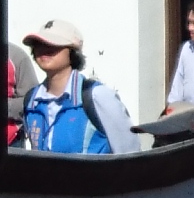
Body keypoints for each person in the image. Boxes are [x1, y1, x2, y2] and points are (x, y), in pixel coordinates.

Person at [19, 17, 139, 155]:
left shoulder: (96, 95)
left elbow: (129, 152)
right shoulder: (31, 101)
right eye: (38, 44)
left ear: (73, 52)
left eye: (54, 45)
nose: (44, 50)